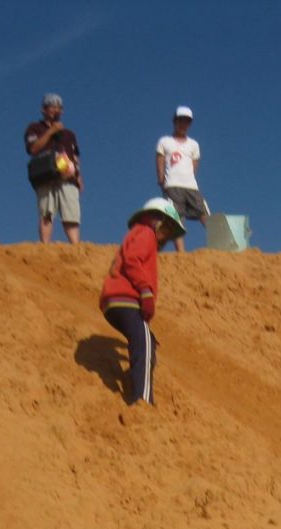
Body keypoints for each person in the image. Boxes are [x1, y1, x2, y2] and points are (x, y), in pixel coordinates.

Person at [99, 198, 186, 406]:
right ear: (156, 219)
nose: (166, 233)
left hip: (114, 301)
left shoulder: (137, 233)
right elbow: (132, 260)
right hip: (126, 298)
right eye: (167, 226)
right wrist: (146, 291)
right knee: (144, 344)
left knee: (145, 340)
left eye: (171, 230)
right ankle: (142, 400)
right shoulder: (145, 232)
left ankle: (136, 384)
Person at [24, 93, 82, 243]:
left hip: (67, 177)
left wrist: (79, 176)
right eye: (52, 107)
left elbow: (75, 157)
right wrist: (51, 132)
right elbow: (33, 149)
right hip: (45, 176)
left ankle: (76, 248)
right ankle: (45, 247)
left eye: (59, 107)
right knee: (46, 214)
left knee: (71, 215)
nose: (56, 110)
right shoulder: (34, 128)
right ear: (44, 110)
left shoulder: (69, 134)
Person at [156, 106, 207, 253]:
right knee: (176, 217)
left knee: (203, 212)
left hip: (190, 185)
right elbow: (159, 158)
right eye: (181, 121)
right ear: (175, 121)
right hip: (172, 183)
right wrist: (161, 177)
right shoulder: (165, 141)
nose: (184, 124)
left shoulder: (193, 144)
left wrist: (190, 177)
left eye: (187, 121)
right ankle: (181, 251)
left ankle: (220, 243)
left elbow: (194, 164)